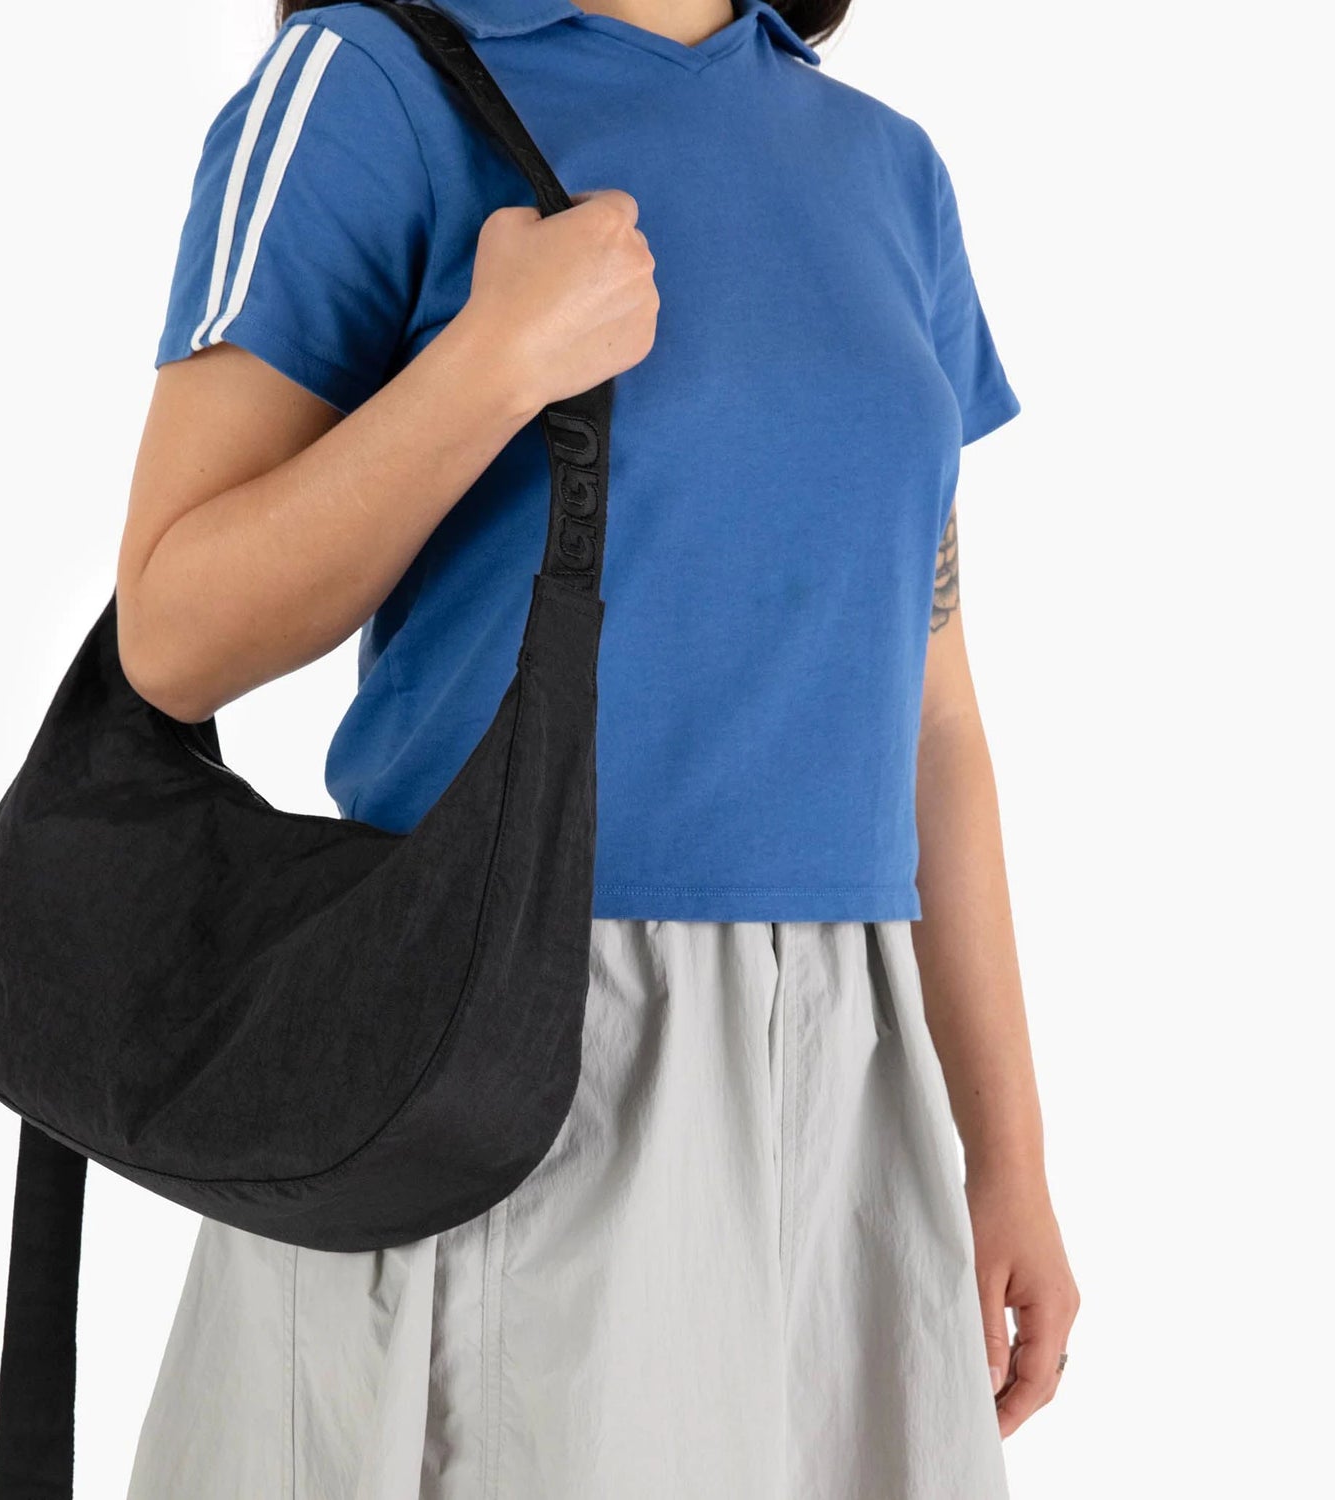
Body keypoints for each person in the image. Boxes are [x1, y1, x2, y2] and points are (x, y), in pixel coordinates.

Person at [117, 0, 1080, 1495]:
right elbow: (172, 634)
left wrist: (1005, 1157)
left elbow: (935, 718)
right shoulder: (377, 85)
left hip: (851, 1084)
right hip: (509, 1040)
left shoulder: (886, 168)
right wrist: (486, 368)